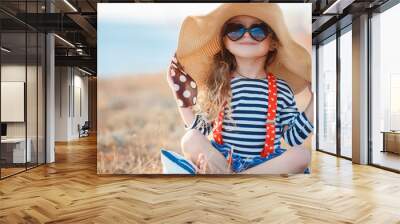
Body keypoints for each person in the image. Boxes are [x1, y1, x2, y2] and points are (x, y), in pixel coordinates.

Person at [166, 3, 313, 174]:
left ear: (272, 43)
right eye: (235, 29)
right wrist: (181, 98)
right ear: (224, 41)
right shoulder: (219, 83)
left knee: (302, 155)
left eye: (258, 31)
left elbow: (293, 137)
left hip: (265, 166)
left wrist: (315, 101)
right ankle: (232, 177)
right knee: (190, 139)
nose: (247, 35)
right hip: (224, 160)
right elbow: (202, 130)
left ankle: (231, 179)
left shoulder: (281, 89)